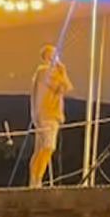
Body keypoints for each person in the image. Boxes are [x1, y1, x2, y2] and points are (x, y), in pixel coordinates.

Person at [29, 44, 72, 188]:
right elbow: (64, 87)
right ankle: (36, 178)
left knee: (43, 148)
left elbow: (67, 88)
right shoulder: (45, 71)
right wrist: (63, 72)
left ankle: (36, 178)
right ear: (48, 56)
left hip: (49, 115)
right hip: (47, 115)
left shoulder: (49, 72)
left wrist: (62, 72)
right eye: (54, 54)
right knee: (47, 147)